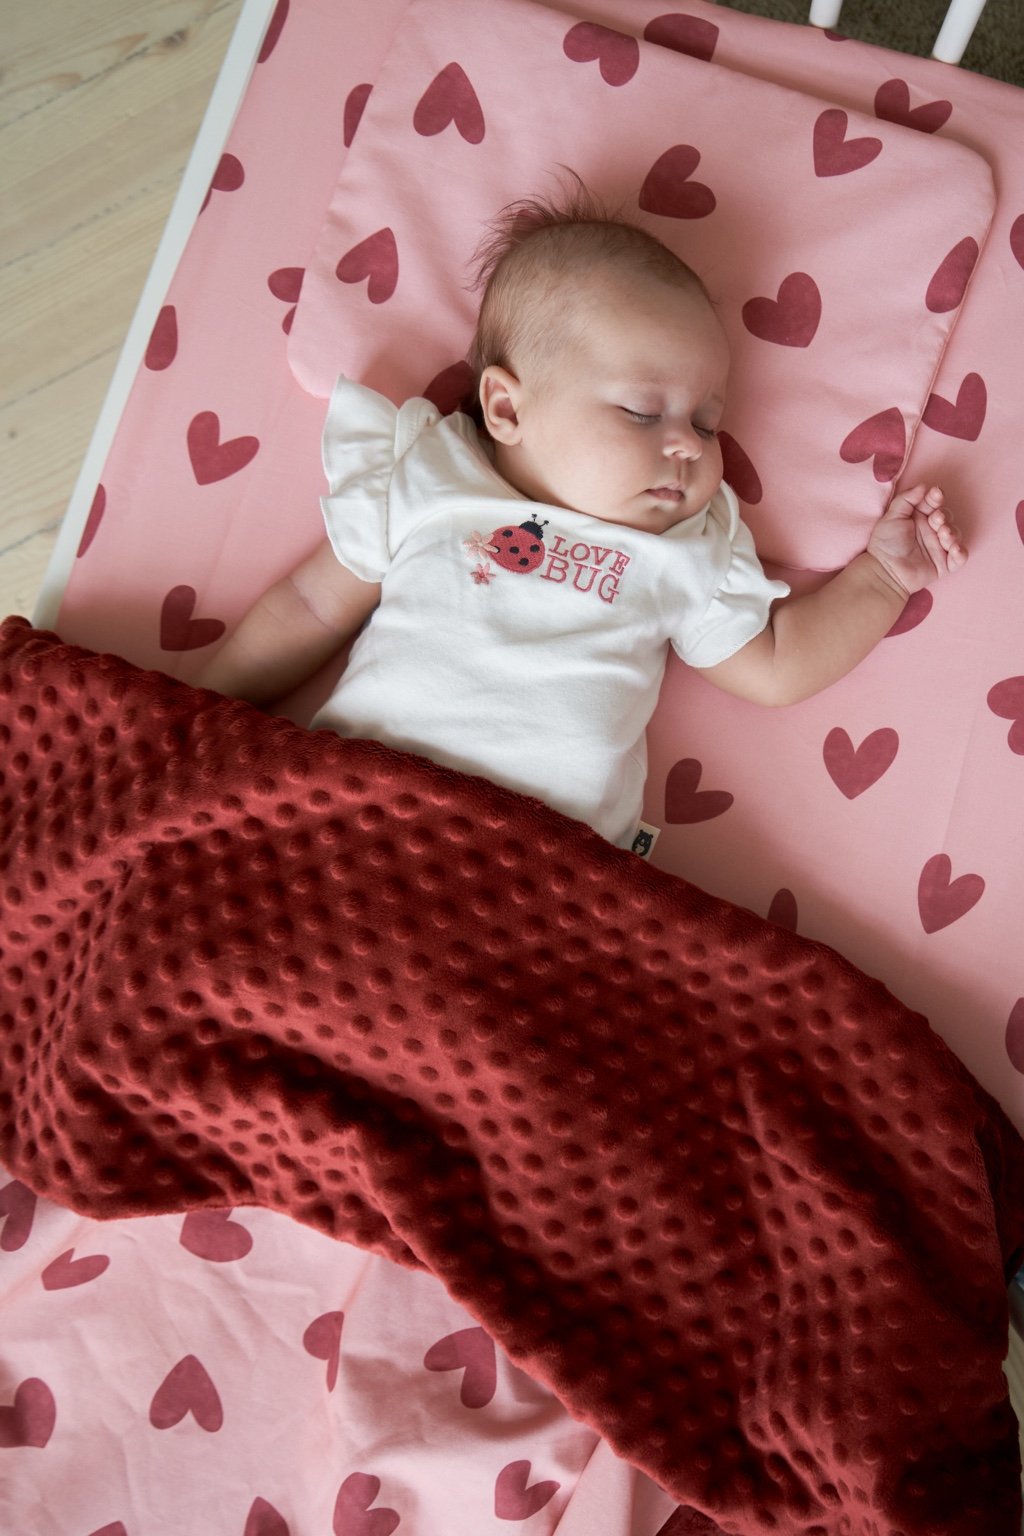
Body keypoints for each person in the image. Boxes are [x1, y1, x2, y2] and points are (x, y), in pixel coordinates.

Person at [194, 185, 967, 848]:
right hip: (355, 812)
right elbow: (309, 605)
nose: (685, 447)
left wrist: (884, 577)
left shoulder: (685, 549)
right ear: (506, 406)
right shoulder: (434, 478)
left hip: (544, 867)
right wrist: (197, 721)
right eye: (641, 412)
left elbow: (774, 664)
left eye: (706, 422)